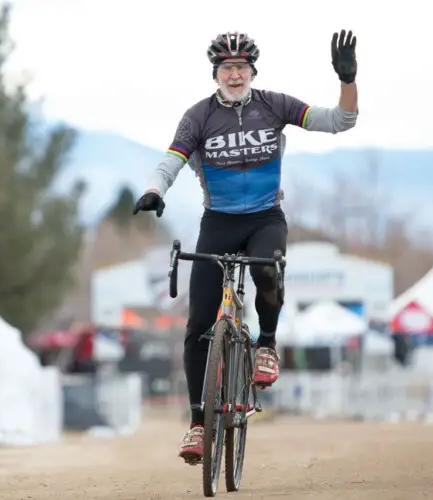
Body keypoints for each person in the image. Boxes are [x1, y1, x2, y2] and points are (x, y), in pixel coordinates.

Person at [132, 30, 359, 462]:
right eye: (226, 69)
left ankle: (266, 343)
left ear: (252, 72)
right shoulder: (198, 116)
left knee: (268, 269)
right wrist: (153, 190)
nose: (234, 75)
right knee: (198, 322)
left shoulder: (274, 104)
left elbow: (340, 121)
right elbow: (171, 160)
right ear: (215, 74)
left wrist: (347, 80)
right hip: (217, 222)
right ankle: (198, 425)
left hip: (264, 218)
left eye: (241, 68)